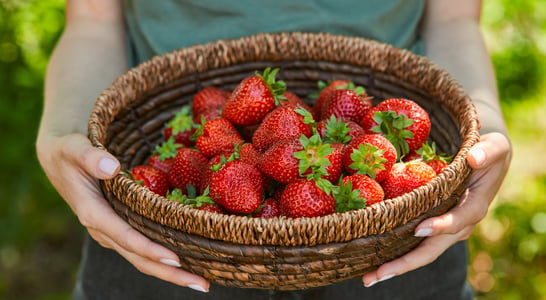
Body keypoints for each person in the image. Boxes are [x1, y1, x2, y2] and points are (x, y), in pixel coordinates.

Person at [36, 0, 512, 299]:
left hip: (402, 229)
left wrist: (483, 126)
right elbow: (93, 18)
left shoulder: (330, 149)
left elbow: (453, 17)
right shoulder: (231, 154)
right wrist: (64, 128)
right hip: (159, 235)